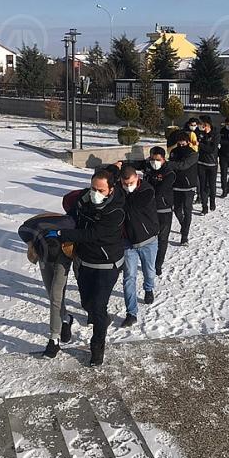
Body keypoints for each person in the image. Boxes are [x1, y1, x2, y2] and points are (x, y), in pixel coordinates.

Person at [49, 168, 125, 366]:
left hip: (107, 265)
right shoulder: (85, 199)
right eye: (93, 188)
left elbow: (91, 234)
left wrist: (61, 234)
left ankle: (97, 348)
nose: (95, 193)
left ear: (110, 190)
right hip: (85, 262)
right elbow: (72, 211)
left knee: (98, 307)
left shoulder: (116, 211)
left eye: (100, 190)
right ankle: (102, 318)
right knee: (87, 303)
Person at [17, 213, 76, 358]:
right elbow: (22, 231)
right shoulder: (30, 230)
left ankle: (54, 340)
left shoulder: (68, 224)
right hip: (44, 255)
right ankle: (66, 318)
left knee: (56, 294)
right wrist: (32, 247)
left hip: (63, 256)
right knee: (52, 294)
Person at [118, 165, 160, 328]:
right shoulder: (119, 190)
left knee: (149, 271)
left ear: (137, 178)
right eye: (125, 183)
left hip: (148, 240)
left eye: (131, 183)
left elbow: (131, 205)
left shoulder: (147, 190)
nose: (128, 186)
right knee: (129, 277)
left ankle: (148, 288)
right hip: (128, 243)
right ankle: (131, 313)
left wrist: (119, 197)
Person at [142, 146, 176, 276]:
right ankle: (147, 261)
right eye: (152, 159)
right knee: (147, 237)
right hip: (148, 210)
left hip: (164, 210)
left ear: (163, 159)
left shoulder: (169, 173)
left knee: (162, 239)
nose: (154, 162)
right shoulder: (148, 167)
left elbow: (159, 191)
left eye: (157, 160)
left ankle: (158, 264)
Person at [168, 130, 198, 246]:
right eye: (179, 143)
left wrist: (168, 163)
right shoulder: (174, 152)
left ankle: (184, 237)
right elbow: (171, 167)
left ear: (188, 142)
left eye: (183, 143)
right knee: (176, 209)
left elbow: (183, 165)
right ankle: (183, 225)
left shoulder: (193, 154)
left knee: (187, 210)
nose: (181, 145)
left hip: (188, 186)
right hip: (176, 185)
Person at [196, 115, 219, 214]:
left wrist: (200, 144)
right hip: (201, 163)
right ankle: (204, 206)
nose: (199, 125)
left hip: (212, 164)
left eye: (201, 123)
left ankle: (212, 201)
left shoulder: (215, 134)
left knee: (212, 185)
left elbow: (212, 149)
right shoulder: (198, 133)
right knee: (202, 186)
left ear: (206, 124)